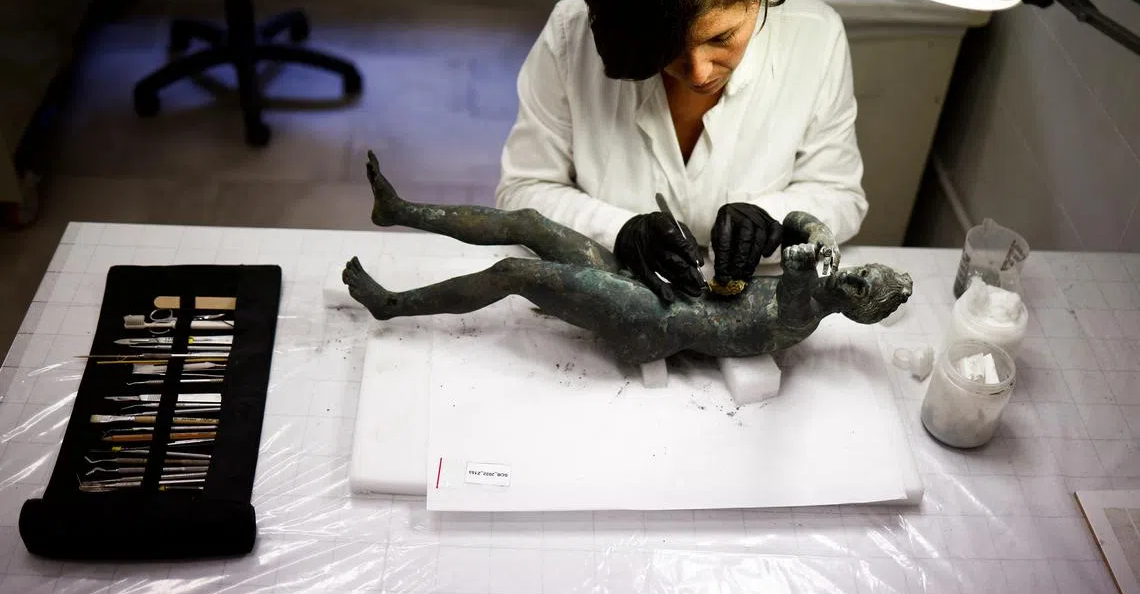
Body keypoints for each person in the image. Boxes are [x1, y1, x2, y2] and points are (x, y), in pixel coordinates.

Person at [496, 0, 868, 303]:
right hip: (610, 303)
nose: (699, 72)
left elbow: (841, 196)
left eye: (721, 38)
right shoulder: (570, 33)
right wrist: (619, 232)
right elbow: (521, 192)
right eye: (670, 45)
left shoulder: (815, 36)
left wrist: (774, 221)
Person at [344, 152, 911, 366]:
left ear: (858, 310)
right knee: (527, 224)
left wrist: (794, 234)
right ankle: (398, 210)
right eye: (863, 271)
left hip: (656, 323)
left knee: (516, 272)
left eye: (861, 285)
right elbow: (806, 230)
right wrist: (789, 221)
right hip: (669, 287)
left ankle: (393, 304)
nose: (853, 275)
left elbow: (792, 273)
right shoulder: (827, 273)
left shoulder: (801, 315)